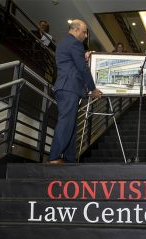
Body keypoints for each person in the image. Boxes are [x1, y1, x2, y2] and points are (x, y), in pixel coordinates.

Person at [48, 19, 102, 164]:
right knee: (66, 122)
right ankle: (54, 156)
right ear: (76, 30)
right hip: (69, 88)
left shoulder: (65, 42)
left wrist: (83, 57)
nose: (85, 36)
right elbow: (82, 69)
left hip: (65, 87)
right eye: (84, 32)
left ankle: (69, 159)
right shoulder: (74, 43)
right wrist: (93, 89)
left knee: (71, 124)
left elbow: (72, 63)